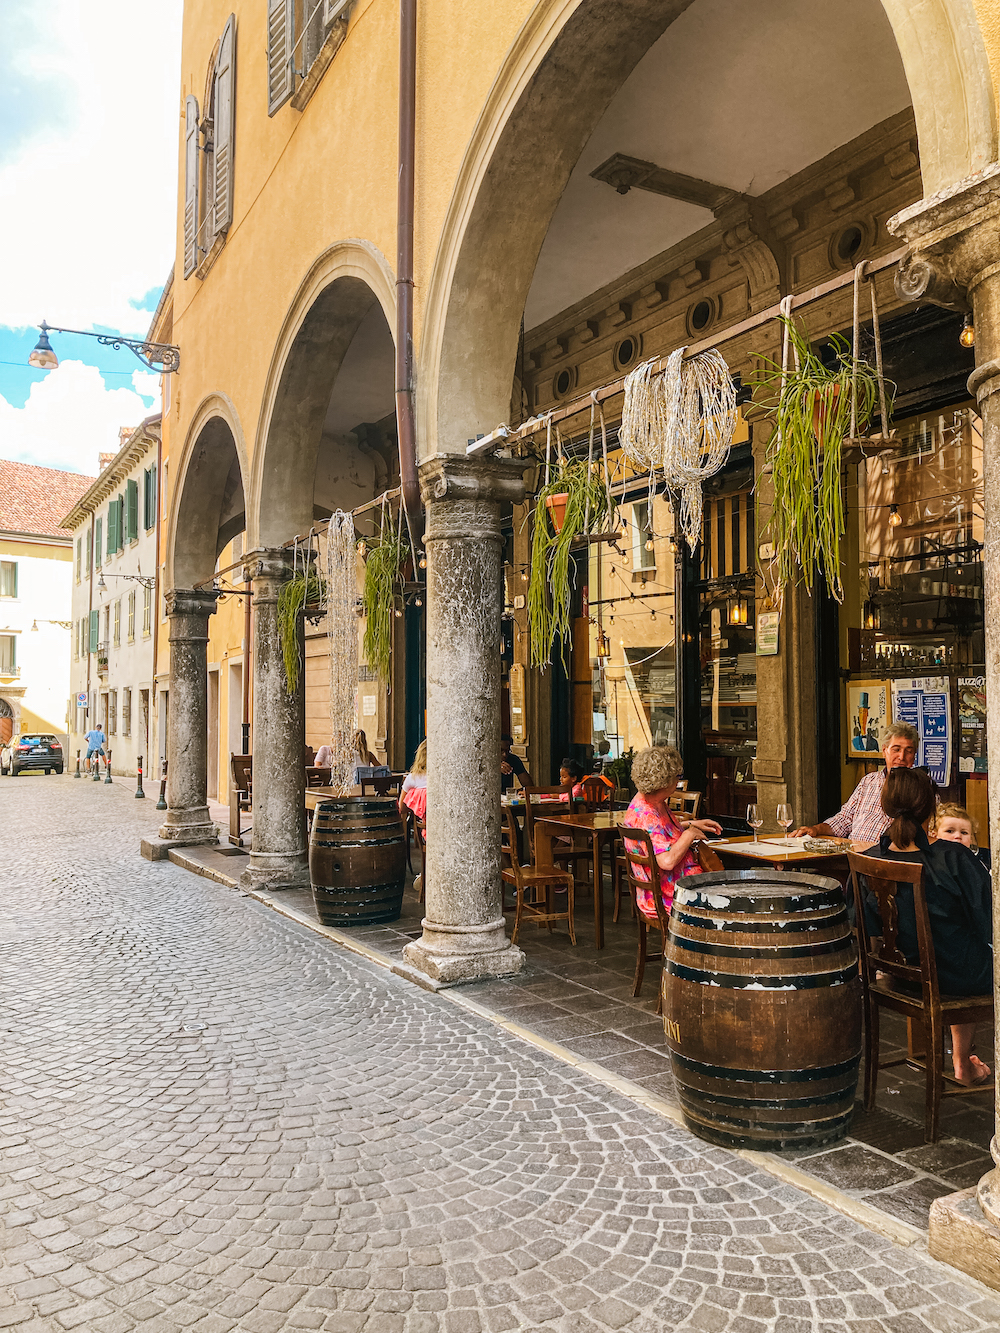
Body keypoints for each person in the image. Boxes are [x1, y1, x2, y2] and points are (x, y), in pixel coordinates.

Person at [866, 767, 992, 1086]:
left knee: (957, 953)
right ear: (931, 809)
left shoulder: (870, 859)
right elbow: (990, 922)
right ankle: (963, 1063)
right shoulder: (953, 857)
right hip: (957, 975)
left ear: (885, 806)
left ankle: (962, 1063)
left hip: (904, 975)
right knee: (971, 955)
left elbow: (864, 921)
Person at [620, 745, 722, 918]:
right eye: (677, 776)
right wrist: (689, 835)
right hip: (669, 895)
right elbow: (666, 861)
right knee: (731, 900)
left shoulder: (653, 801)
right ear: (663, 781)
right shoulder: (646, 815)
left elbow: (660, 835)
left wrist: (691, 824)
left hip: (678, 886)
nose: (678, 781)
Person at [793, 721, 919, 842]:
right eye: (896, 749)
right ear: (884, 751)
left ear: (914, 756)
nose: (901, 757)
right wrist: (815, 829)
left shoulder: (921, 789)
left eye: (908, 751)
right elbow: (844, 819)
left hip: (887, 859)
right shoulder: (869, 781)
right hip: (853, 855)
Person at [931, 802, 990, 872]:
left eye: (964, 833)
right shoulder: (931, 862)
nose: (958, 836)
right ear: (934, 835)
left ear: (971, 838)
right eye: (949, 831)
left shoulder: (980, 863)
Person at [398, 740, 427, 821]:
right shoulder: (442, 778)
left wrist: (417, 806)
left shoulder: (412, 778)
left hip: (421, 825)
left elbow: (402, 808)